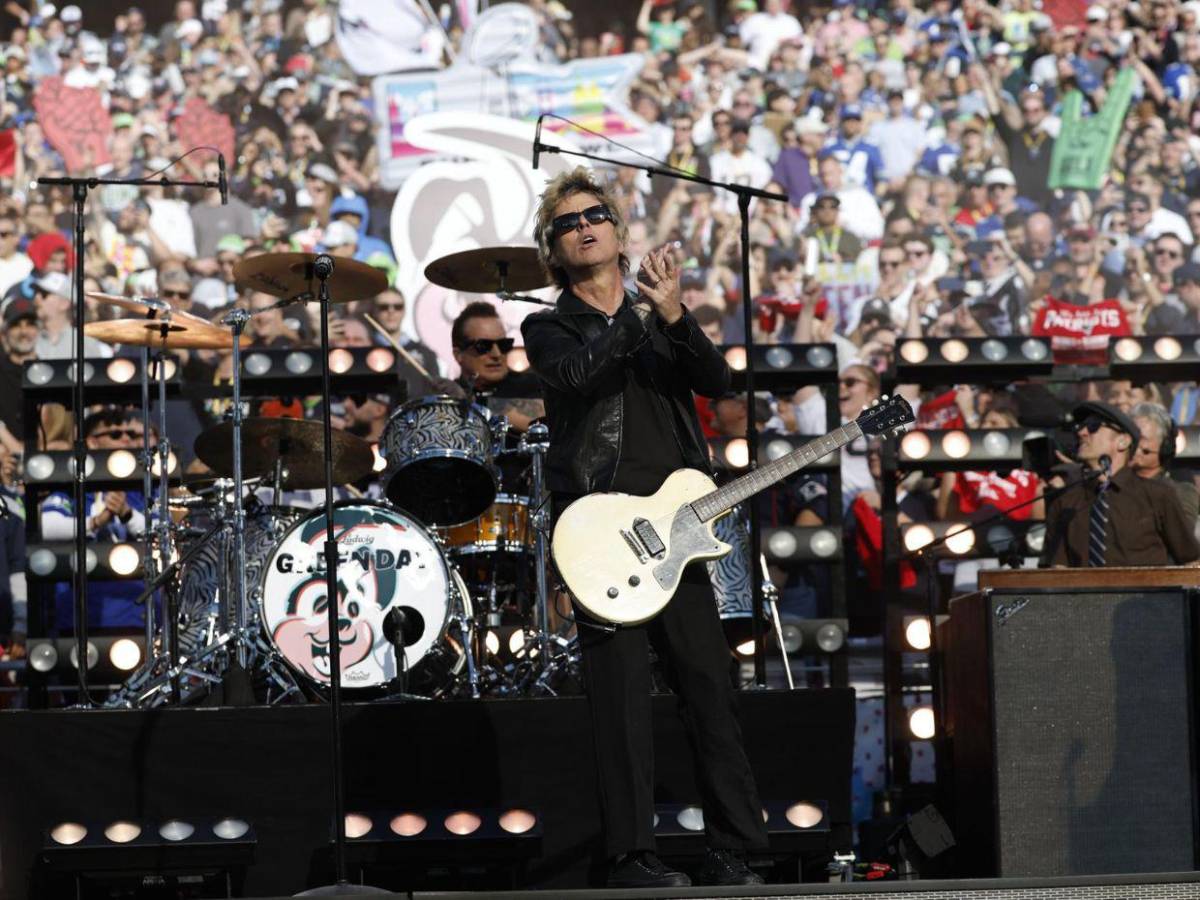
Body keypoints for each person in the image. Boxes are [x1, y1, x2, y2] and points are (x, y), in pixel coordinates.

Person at [521, 167, 767, 888]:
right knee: (622, 701)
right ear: (554, 250)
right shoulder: (548, 326)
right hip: (599, 531)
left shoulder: (655, 317)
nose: (584, 227)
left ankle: (735, 850)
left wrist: (674, 316)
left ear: (620, 231)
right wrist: (636, 319)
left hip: (680, 530)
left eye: (596, 215)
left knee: (710, 687)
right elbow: (578, 380)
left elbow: (718, 386)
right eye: (568, 223)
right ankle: (632, 856)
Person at [1041, 402, 1198, 568]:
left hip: (1145, 594)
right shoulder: (1065, 502)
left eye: (1094, 426)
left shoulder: (1159, 496)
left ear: (1123, 442)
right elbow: (1056, 570)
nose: (1082, 433)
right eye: (1080, 427)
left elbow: (1191, 561)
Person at [451, 301, 542, 432]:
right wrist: (447, 404)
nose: (497, 354)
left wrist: (467, 404)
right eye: (483, 346)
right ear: (458, 354)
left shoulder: (532, 384)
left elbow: (543, 421)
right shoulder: (449, 396)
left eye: (503, 344)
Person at [1129, 402, 1200, 522]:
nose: (1131, 444)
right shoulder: (1115, 485)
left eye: (1141, 439)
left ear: (1164, 446)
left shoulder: (1180, 492)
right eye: (1130, 437)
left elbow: (1181, 535)